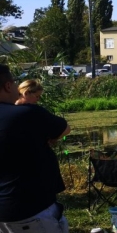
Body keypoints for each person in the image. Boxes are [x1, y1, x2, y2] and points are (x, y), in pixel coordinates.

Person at [0, 64, 71, 232]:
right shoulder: (27, 113)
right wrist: (50, 138)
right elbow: (64, 128)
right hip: (31, 209)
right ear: (8, 86)